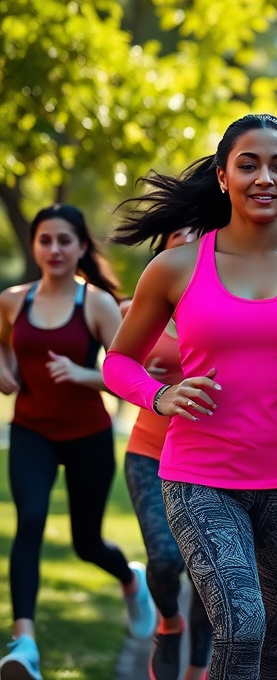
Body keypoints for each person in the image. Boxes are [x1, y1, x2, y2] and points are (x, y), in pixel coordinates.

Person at [102, 114, 277, 680]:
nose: (265, 178)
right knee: (241, 629)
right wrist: (159, 397)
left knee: (276, 646)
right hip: (201, 477)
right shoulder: (176, 267)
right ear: (224, 176)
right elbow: (117, 361)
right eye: (249, 164)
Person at [0, 205, 157, 680]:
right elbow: (3, 344)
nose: (54, 249)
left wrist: (82, 374)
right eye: (45, 240)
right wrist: (4, 369)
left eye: (64, 240)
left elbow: (126, 375)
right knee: (29, 521)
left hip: (88, 434)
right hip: (31, 431)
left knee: (85, 543)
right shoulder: (12, 300)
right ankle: (24, 643)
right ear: (35, 246)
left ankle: (132, 581)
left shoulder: (96, 304)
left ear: (81, 247)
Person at [120, 226, 213, 680]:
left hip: (209, 460)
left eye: (199, 234)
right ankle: (168, 621)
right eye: (179, 234)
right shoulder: (138, 306)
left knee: (206, 575)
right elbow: (114, 368)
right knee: (165, 558)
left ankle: (196, 671)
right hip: (149, 451)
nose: (188, 242)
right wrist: (147, 382)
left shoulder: (226, 301)